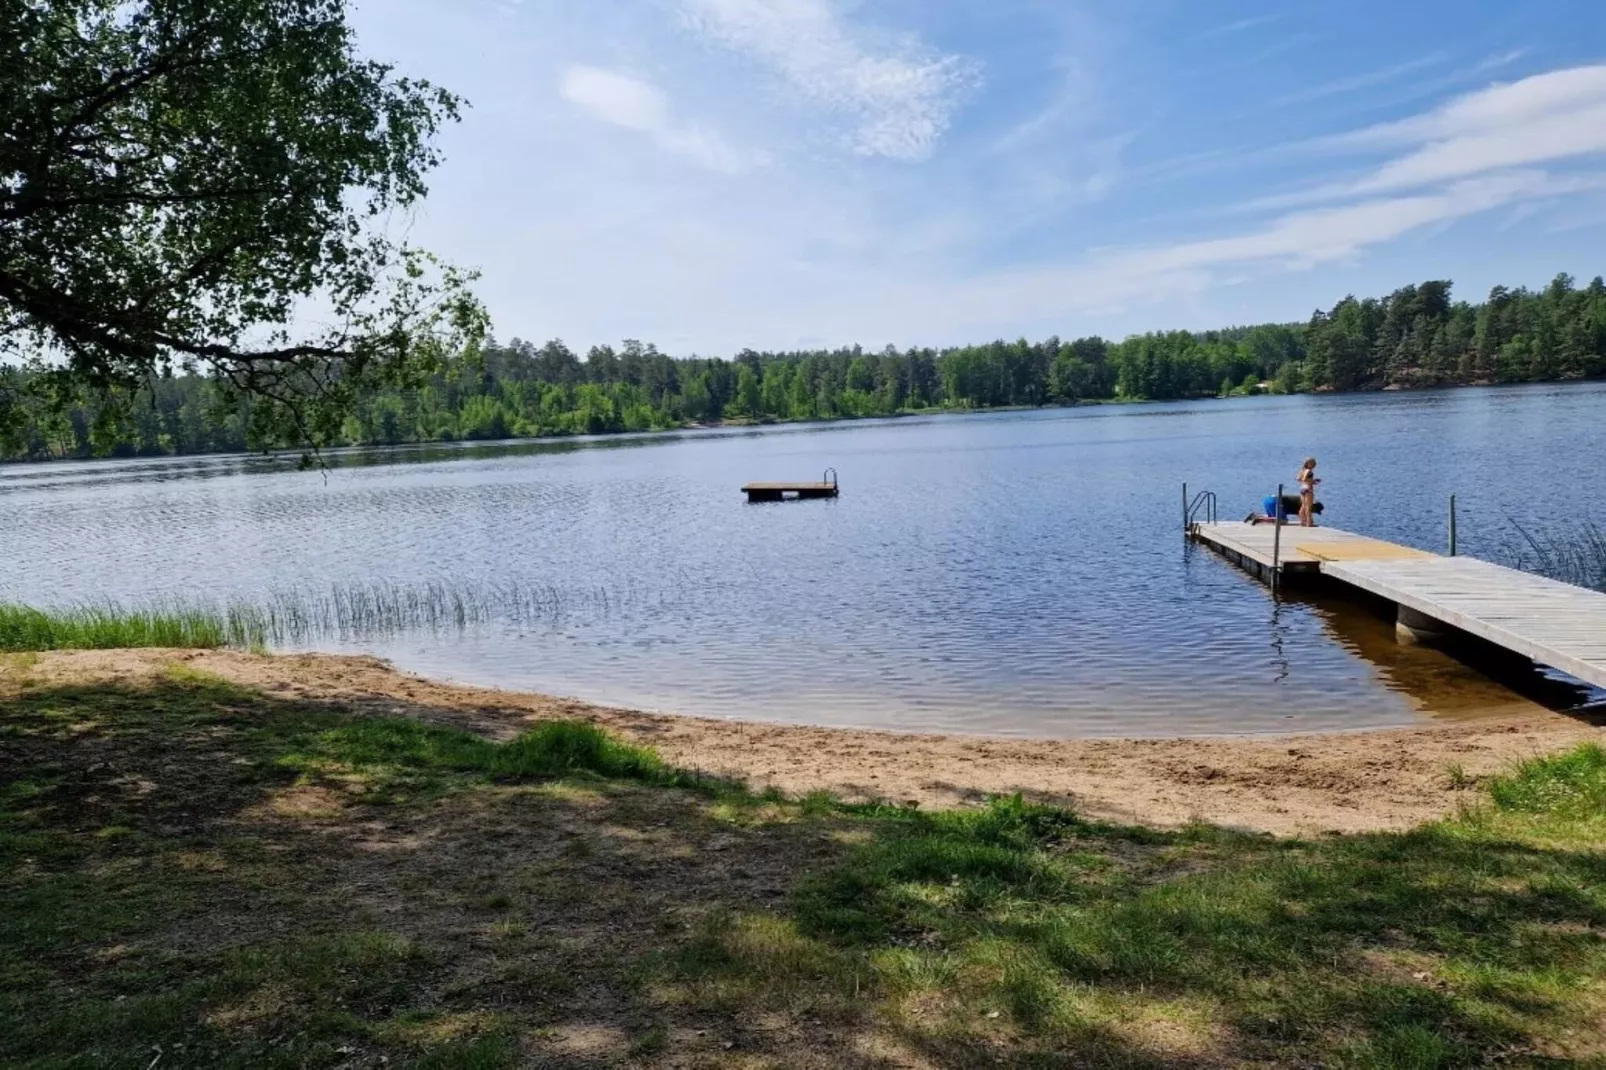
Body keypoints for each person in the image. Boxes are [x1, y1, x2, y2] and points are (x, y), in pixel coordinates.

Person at [1296, 457, 1320, 527]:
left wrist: (1312, 481)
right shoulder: (1308, 471)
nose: (1314, 465)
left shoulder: (1302, 470)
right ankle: (1309, 523)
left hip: (1302, 488)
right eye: (1313, 463)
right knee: (1308, 508)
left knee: (1303, 506)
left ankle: (1302, 522)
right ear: (1308, 463)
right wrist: (1312, 481)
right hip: (1308, 489)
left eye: (1314, 463)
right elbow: (1304, 479)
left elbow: (1298, 479)